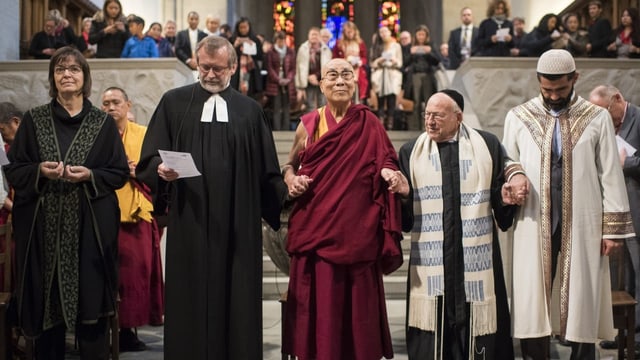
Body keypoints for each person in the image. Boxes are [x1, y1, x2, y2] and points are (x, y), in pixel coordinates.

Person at [135, 35, 287, 359]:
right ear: (196, 63)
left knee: (238, 297)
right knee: (190, 295)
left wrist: (284, 198)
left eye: (219, 68)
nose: (211, 74)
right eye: (205, 67)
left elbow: (267, 171)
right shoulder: (174, 103)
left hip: (238, 225)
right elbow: (148, 160)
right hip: (191, 221)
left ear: (233, 67)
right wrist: (161, 171)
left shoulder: (249, 111)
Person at [502, 49, 634, 359]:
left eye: (560, 90)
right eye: (547, 90)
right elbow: (507, 159)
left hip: (583, 219)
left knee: (581, 294)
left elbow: (610, 174)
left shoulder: (597, 117)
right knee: (534, 295)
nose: (553, 96)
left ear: (574, 79)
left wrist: (612, 231)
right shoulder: (518, 116)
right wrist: (515, 175)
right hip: (534, 218)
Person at [3, 46, 129, 359]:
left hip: (90, 232)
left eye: (74, 69)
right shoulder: (34, 120)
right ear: (53, 78)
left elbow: (118, 173)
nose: (67, 74)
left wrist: (89, 175)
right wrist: (39, 171)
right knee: (48, 307)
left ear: (85, 78)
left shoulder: (102, 124)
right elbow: (15, 170)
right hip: (45, 233)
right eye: (60, 69)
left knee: (91, 308)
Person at [281, 57, 403, 360]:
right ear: (321, 84)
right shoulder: (308, 123)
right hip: (317, 231)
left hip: (359, 233)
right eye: (332, 75)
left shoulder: (369, 122)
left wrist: (389, 171)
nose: (339, 81)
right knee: (320, 308)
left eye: (346, 75)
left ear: (356, 82)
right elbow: (288, 165)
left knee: (358, 312)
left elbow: (387, 158)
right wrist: (291, 180)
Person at [396, 89, 525, 360]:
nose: (430, 121)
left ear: (458, 117)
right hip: (433, 264)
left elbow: (502, 197)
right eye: (427, 115)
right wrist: (406, 195)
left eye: (438, 116)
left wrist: (504, 198)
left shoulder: (487, 146)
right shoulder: (410, 152)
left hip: (475, 260)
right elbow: (405, 219)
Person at [101, 87, 164, 352]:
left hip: (136, 213)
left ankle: (127, 330)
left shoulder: (143, 134)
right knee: (106, 276)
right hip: (104, 213)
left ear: (128, 105)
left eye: (115, 102)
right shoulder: (96, 136)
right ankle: (103, 331)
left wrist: (135, 170)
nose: (110, 108)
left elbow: (155, 168)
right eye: (105, 104)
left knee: (135, 276)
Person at [589, 85, 640, 351]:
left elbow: (627, 162)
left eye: (605, 112)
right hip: (617, 215)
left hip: (638, 208)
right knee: (624, 277)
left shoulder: (638, 120)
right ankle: (625, 333)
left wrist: (627, 164)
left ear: (618, 99)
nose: (602, 119)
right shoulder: (605, 126)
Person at [404, 25, 439, 131]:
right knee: (416, 101)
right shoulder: (410, 46)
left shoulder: (431, 45)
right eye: (419, 34)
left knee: (428, 102)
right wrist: (411, 53)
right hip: (415, 75)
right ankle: (415, 128)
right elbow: (405, 62)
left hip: (427, 75)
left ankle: (428, 127)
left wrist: (429, 53)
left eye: (423, 34)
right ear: (416, 35)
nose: (421, 37)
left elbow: (437, 60)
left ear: (426, 36)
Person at [370, 26, 403, 130]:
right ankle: (380, 122)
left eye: (385, 31)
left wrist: (394, 61)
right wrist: (380, 60)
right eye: (381, 32)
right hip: (380, 74)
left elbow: (400, 62)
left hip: (392, 74)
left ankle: (390, 122)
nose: (383, 34)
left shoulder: (396, 46)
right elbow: (372, 63)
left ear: (389, 33)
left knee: (391, 99)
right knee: (380, 99)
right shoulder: (376, 46)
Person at [295, 27, 332, 114]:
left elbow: (328, 66)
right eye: (312, 34)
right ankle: (310, 126)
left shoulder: (326, 49)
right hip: (307, 80)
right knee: (310, 105)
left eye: (316, 35)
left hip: (322, 79)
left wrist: (316, 76)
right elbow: (299, 67)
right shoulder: (303, 49)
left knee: (323, 104)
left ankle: (322, 126)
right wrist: (300, 85)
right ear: (308, 36)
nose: (314, 37)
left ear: (319, 36)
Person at [264, 31, 296, 131]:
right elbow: (269, 68)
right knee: (276, 107)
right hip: (275, 83)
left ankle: (286, 129)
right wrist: (278, 80)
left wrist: (288, 79)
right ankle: (277, 130)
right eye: (279, 40)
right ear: (275, 40)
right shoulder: (270, 52)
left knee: (286, 107)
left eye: (282, 40)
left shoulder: (290, 51)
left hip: (287, 83)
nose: (281, 42)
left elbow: (293, 68)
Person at [332, 21, 369, 104]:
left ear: (355, 31)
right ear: (344, 32)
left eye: (351, 31)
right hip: (343, 71)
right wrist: (344, 60)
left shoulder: (360, 43)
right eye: (348, 32)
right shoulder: (339, 43)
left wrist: (360, 62)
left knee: (357, 96)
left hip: (358, 72)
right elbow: (334, 58)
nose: (350, 34)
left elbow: (364, 57)